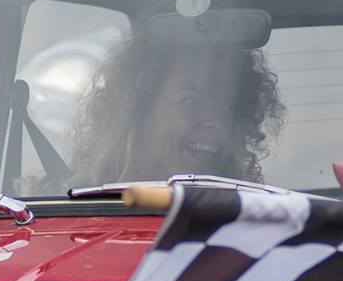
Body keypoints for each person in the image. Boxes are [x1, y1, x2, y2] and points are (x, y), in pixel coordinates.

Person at [63, 33, 285, 188]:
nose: (218, 122)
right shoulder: (66, 217)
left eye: (230, 107)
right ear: (137, 109)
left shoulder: (249, 224)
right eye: (191, 102)